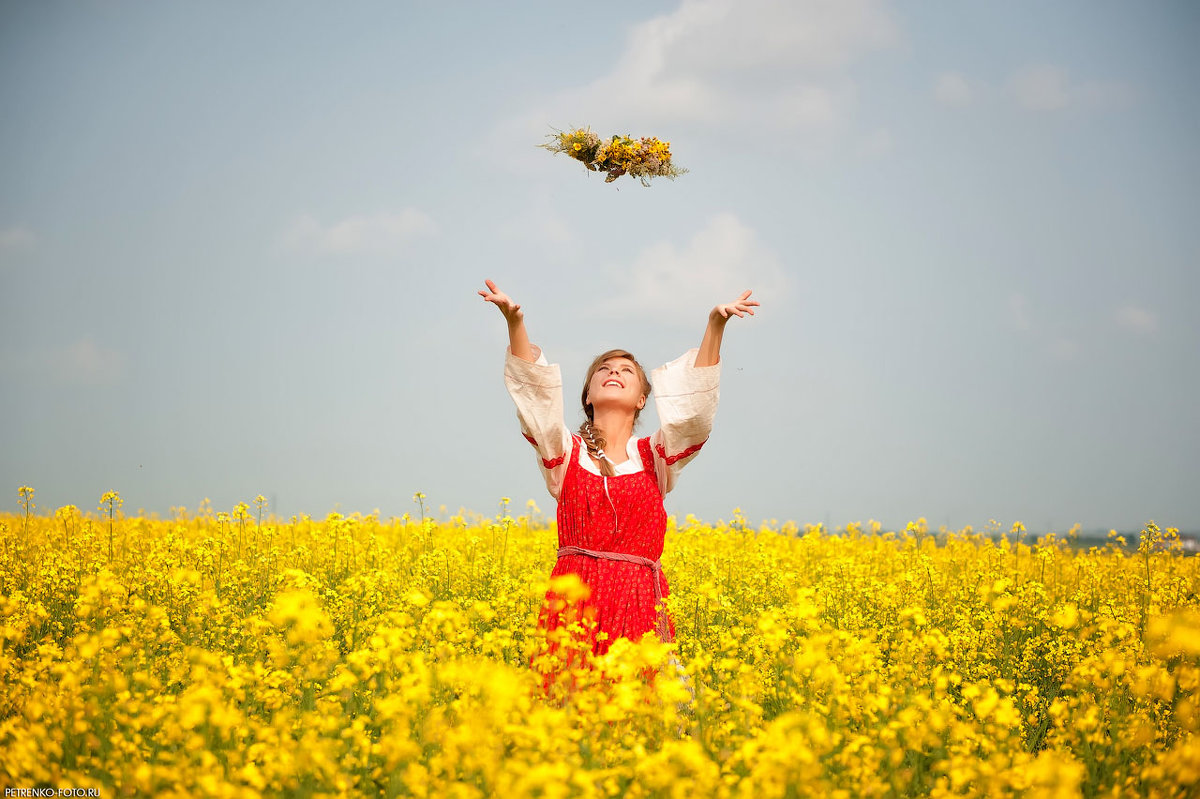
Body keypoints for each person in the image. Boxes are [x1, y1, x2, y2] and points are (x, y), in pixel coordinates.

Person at [478, 278, 759, 672]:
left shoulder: (654, 456)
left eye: (626, 370)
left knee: (640, 717)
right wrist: (515, 323)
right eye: (603, 369)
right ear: (588, 395)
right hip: (574, 607)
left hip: (639, 603)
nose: (614, 372)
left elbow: (694, 414)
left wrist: (715, 327)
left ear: (643, 397)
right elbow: (536, 400)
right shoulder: (566, 452)